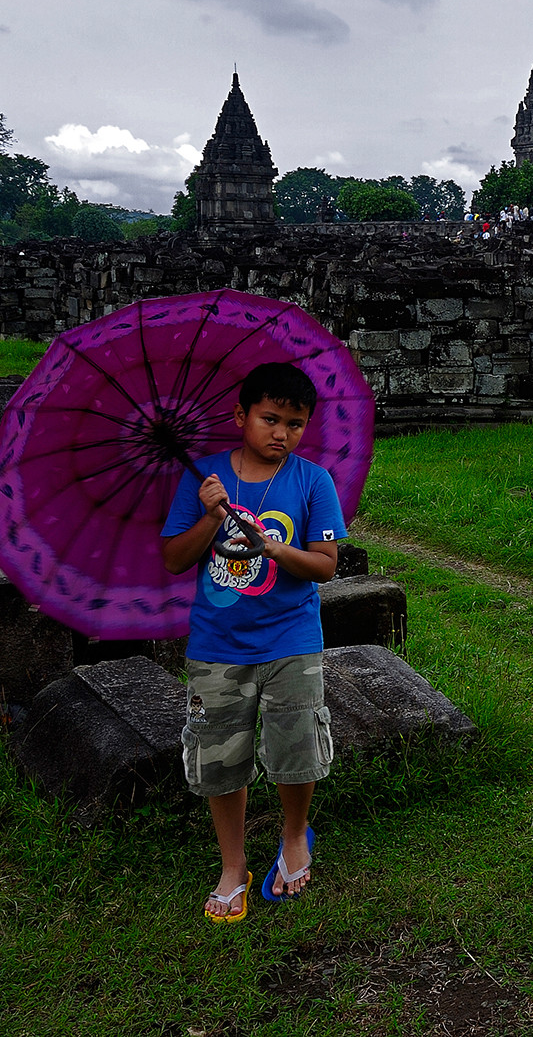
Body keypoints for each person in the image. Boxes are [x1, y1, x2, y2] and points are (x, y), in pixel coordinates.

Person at [161, 361, 346, 924]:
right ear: (241, 416)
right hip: (218, 643)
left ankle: (294, 836)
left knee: (296, 748)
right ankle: (232, 863)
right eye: (269, 419)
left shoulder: (313, 481)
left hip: (291, 639)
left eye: (294, 423)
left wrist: (276, 550)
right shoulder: (207, 479)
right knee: (221, 756)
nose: (280, 434)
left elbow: (326, 565)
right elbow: (174, 559)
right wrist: (212, 517)